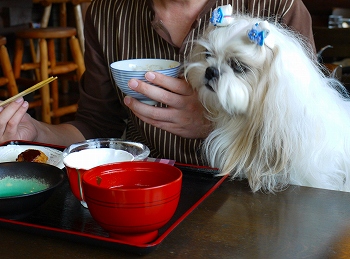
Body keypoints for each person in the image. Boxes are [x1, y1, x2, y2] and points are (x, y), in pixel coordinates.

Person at [0, 0, 315, 165]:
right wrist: (35, 133)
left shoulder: (276, 7)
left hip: (252, 189)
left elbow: (306, 133)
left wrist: (216, 122)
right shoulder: (108, 13)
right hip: (148, 185)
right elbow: (96, 124)